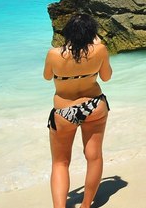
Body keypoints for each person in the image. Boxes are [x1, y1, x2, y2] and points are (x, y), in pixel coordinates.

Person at [44, 13, 113, 208]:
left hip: (64, 111)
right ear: (92, 33)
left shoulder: (54, 54)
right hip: (94, 106)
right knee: (94, 157)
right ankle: (85, 206)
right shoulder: (99, 50)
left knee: (60, 163)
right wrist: (97, 43)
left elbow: (47, 76)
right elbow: (106, 77)